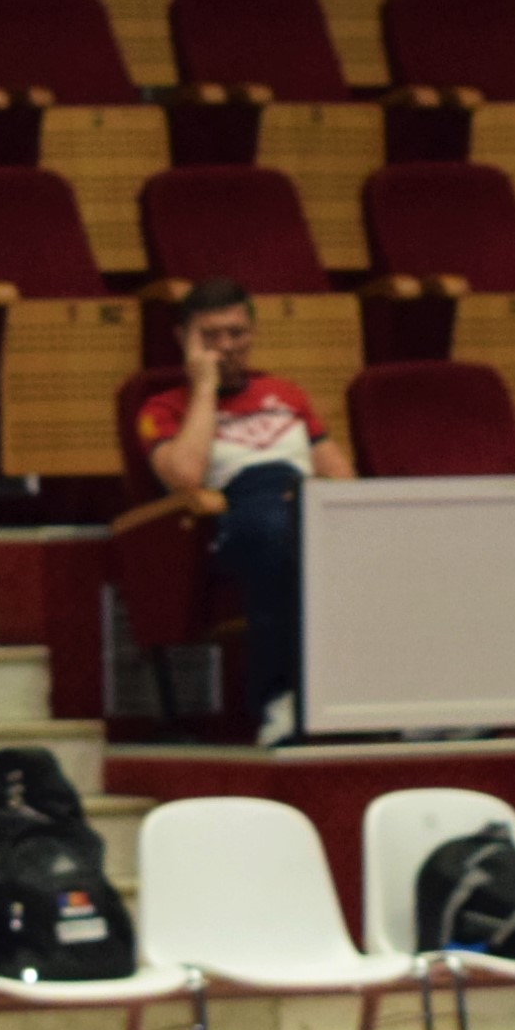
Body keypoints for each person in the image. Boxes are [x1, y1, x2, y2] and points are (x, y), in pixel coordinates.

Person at [134, 279, 349, 750]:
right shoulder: (162, 407)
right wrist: (204, 388)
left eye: (236, 333)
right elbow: (185, 478)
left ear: (252, 333)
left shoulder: (286, 394)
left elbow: (341, 477)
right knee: (274, 534)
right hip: (230, 515)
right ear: (184, 339)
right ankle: (278, 700)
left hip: (303, 501)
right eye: (210, 336)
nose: (226, 346)